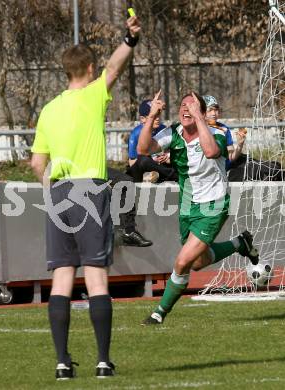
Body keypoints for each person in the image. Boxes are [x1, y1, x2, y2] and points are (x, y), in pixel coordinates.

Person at [31, 15, 140, 379]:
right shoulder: (94, 94)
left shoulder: (48, 110)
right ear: (89, 69)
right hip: (90, 191)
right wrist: (130, 38)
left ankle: (62, 363)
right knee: (96, 279)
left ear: (65, 71)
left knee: (61, 278)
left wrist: (52, 188)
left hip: (59, 192)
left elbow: (36, 163)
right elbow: (115, 65)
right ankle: (103, 362)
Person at [137, 90, 259, 325]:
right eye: (183, 105)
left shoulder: (219, 133)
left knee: (182, 262)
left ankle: (159, 313)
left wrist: (200, 119)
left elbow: (211, 152)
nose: (186, 109)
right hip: (187, 204)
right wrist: (152, 116)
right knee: (197, 263)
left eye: (192, 106)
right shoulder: (173, 133)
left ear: (202, 113)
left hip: (214, 203)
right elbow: (143, 149)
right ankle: (239, 243)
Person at [127, 99, 177, 183]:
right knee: (143, 161)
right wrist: (151, 162)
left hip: (161, 167)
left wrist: (167, 156)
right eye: (154, 116)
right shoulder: (135, 134)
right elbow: (132, 162)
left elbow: (170, 151)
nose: (157, 119)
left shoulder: (163, 128)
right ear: (143, 118)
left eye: (158, 115)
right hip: (144, 167)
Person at [108, 167, 152, 246]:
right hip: (87, 170)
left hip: (92, 168)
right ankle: (128, 232)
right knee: (126, 182)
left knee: (126, 181)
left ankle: (128, 232)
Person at [203, 95, 247, 171]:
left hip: (222, 171)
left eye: (216, 110)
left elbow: (231, 157)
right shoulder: (195, 129)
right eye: (210, 110)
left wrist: (239, 145)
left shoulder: (224, 129)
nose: (214, 113)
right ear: (202, 112)